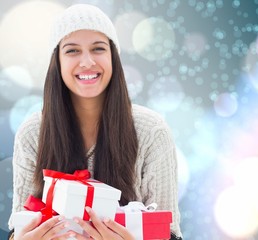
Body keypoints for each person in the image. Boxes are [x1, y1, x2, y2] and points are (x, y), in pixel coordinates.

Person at [8, 4, 182, 240]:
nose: (87, 61)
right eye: (72, 51)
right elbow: (18, 228)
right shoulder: (33, 133)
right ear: (56, 62)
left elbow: (169, 233)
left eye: (98, 48)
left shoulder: (151, 131)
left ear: (113, 57)